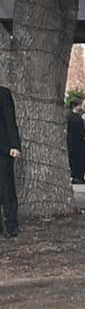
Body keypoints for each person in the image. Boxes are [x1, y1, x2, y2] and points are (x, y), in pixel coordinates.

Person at [0, 85, 20, 238]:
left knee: (7, 188)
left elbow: (10, 120)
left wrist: (14, 145)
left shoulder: (3, 93)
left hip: (4, 149)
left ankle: (11, 224)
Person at [65, 96, 85, 184]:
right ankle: (78, 177)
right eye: (80, 105)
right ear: (75, 106)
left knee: (75, 159)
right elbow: (81, 130)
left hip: (72, 141)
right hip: (78, 141)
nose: (81, 107)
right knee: (79, 159)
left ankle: (76, 176)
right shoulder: (76, 118)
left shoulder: (70, 116)